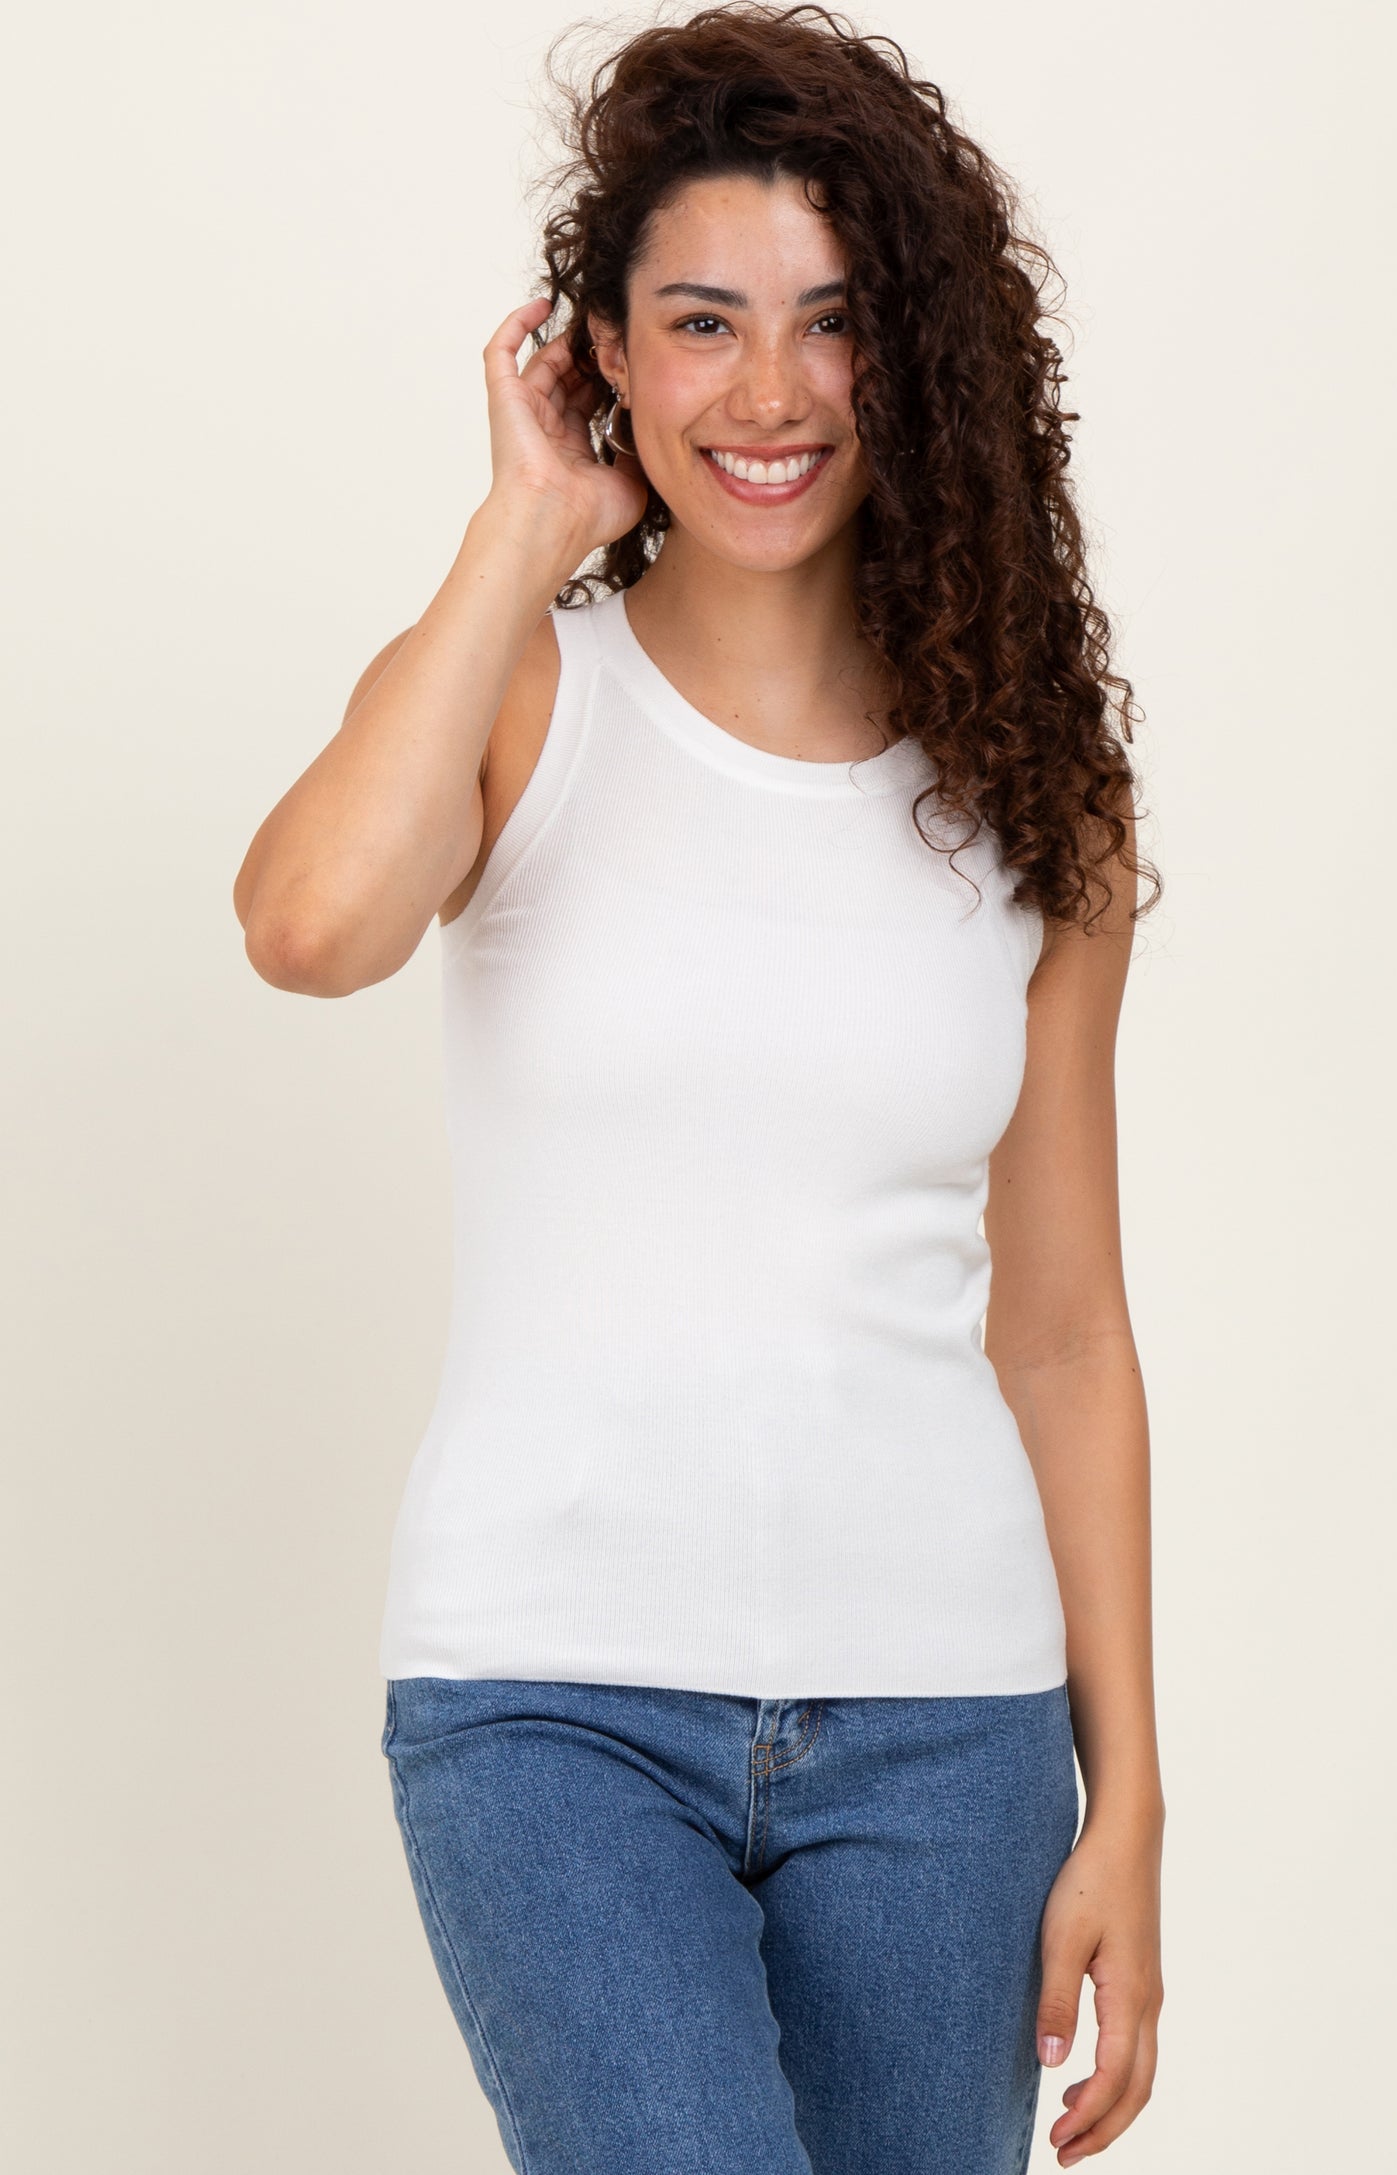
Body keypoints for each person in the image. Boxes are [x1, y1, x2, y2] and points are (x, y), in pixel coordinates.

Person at [233, 5, 1165, 2169]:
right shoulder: (514, 695)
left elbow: (1061, 1326)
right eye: (699, 323)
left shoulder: (1039, 801)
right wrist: (514, 532)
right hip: (550, 1696)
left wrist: (1126, 1797)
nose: (764, 393)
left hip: (949, 1728)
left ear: (914, 359)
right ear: (605, 357)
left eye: (831, 325)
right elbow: (308, 927)